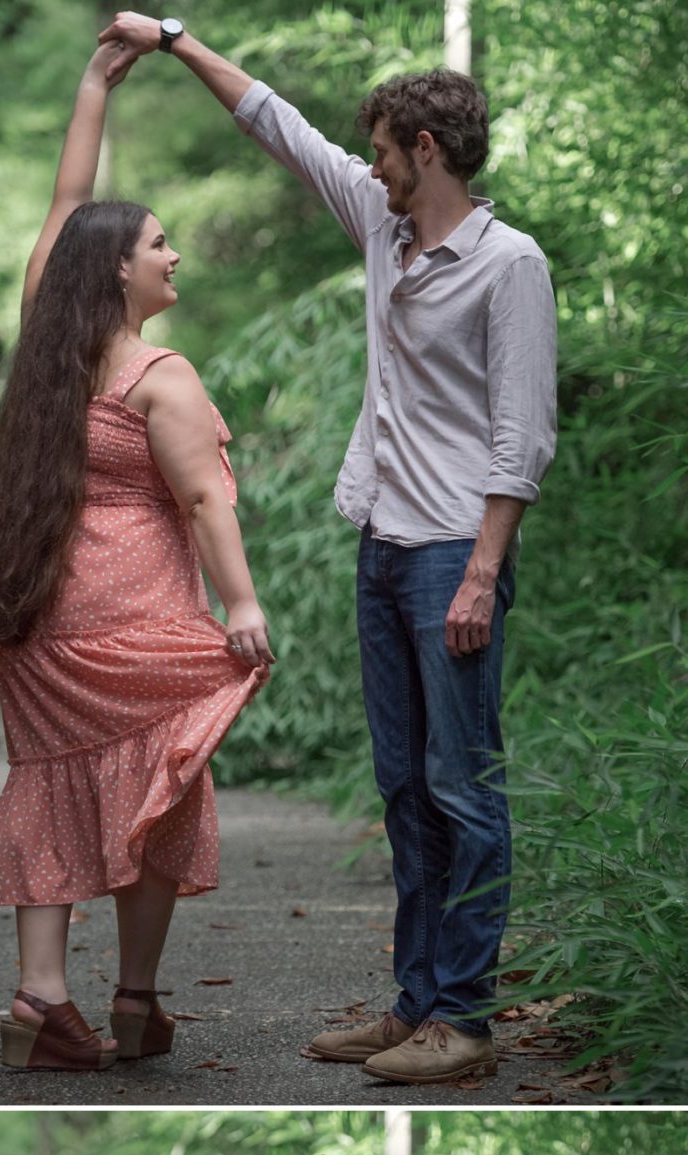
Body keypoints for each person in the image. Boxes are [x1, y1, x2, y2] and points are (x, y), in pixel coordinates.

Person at [101, 15, 558, 1084]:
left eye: (387, 152)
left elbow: (522, 435)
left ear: (427, 152)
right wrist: (174, 40)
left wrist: (484, 574)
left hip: (455, 552)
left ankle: (466, 1020)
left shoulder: (509, 267)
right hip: (385, 546)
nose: (374, 168)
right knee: (401, 787)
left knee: (462, 788)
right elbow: (276, 124)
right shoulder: (382, 225)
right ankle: (413, 1006)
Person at [0, 33, 275, 1076]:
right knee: (167, 782)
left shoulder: (50, 336)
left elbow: (64, 199)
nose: (174, 255)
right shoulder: (158, 374)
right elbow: (198, 496)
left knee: (49, 779)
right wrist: (240, 605)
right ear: (119, 269)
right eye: (159, 244)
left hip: (37, 610)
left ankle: (41, 999)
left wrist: (93, 83)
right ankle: (133, 1001)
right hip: (134, 615)